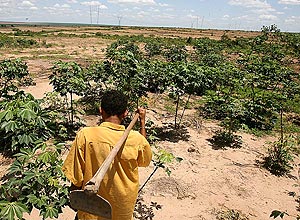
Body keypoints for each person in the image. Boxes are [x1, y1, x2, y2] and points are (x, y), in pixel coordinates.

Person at [62, 90, 152, 220]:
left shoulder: (86, 135)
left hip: (91, 209)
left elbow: (76, 176)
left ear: (101, 110)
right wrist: (142, 123)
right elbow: (144, 160)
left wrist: (75, 199)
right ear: (125, 113)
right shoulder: (136, 139)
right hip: (121, 208)